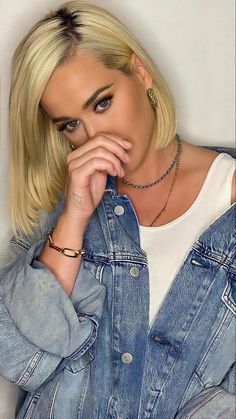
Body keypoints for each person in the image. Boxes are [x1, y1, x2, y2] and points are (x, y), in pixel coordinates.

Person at [0, 1, 235, 418]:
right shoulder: (59, 204)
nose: (95, 136)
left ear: (140, 71)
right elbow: (18, 359)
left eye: (102, 103)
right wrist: (73, 220)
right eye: (71, 124)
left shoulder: (227, 197)